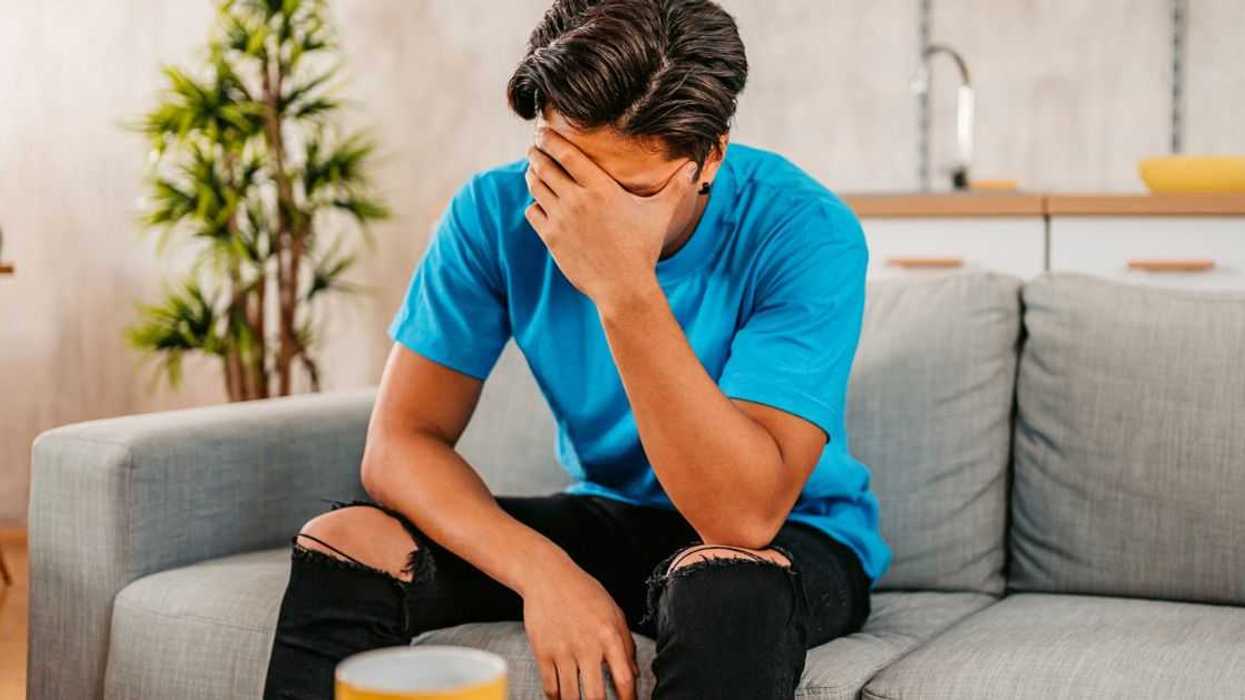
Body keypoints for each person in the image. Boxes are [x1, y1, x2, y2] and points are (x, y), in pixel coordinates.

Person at [262, 1, 891, 698]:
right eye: (563, 168)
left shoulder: (805, 230)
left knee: (724, 584)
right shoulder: (492, 212)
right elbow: (401, 445)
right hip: (611, 517)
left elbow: (741, 518)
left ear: (708, 156)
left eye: (630, 190)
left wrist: (622, 284)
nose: (586, 211)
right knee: (348, 541)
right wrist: (546, 573)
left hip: (784, 537)